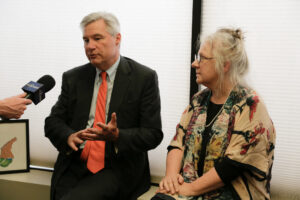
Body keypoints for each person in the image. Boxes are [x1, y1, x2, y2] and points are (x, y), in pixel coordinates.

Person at [44, 11, 163, 200]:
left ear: (117, 39)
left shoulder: (143, 78)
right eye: (86, 40)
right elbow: (52, 122)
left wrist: (117, 136)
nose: (90, 46)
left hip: (117, 167)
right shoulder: (73, 78)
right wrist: (69, 136)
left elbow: (153, 134)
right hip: (75, 163)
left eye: (97, 38)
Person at [154, 28, 276, 200]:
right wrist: (171, 178)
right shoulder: (199, 100)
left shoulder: (250, 104)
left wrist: (190, 189)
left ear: (225, 64)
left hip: (233, 194)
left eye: (202, 58)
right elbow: (177, 143)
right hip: (192, 187)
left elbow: (233, 165)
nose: (194, 64)